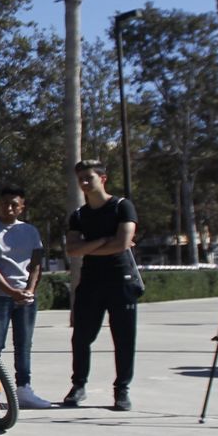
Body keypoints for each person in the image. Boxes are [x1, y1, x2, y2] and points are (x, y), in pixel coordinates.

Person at [64, 160, 139, 411]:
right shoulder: (79, 215)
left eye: (89, 178)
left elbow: (123, 243)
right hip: (90, 282)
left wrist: (92, 245)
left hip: (121, 281)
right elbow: (72, 249)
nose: (84, 183)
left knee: (124, 338)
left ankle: (122, 390)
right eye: (81, 179)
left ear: (102, 178)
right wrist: (106, 240)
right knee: (81, 337)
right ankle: (78, 386)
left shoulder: (121, 206)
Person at [0, 186, 53, 410]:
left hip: (25, 297)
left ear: (22, 207)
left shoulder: (30, 231)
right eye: (4, 203)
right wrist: (10, 291)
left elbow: (36, 263)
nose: (8, 208)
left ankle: (24, 389)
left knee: (24, 344)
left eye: (14, 204)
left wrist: (29, 289)